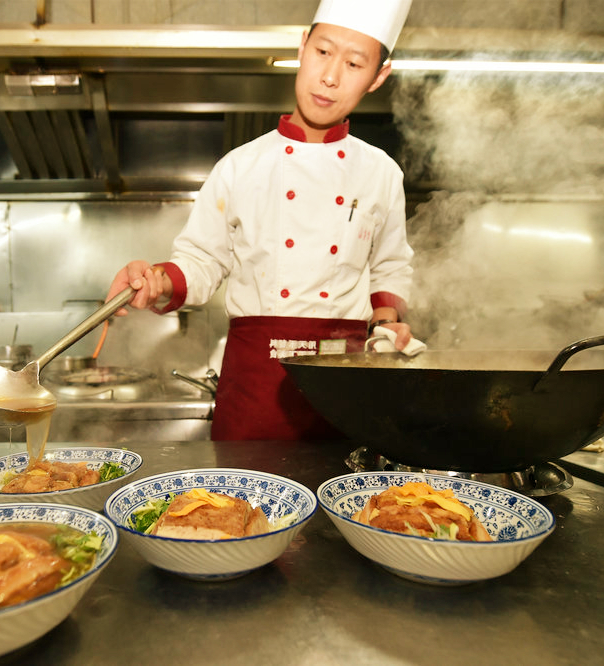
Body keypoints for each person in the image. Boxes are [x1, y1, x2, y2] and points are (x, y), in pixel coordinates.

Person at [106, 0, 415, 441]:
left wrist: (386, 325)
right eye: (323, 52)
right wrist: (157, 277)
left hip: (345, 386)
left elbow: (389, 266)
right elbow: (201, 261)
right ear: (303, 46)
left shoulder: (381, 172)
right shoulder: (239, 166)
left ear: (377, 77)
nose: (330, 76)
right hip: (255, 386)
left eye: (353, 63)